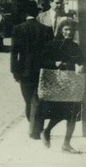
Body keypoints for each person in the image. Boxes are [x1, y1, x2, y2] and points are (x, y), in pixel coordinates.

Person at [36, 18, 85, 152]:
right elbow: (41, 61)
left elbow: (82, 60)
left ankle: (66, 144)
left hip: (72, 84)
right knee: (59, 113)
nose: (69, 32)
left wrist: (81, 65)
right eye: (66, 29)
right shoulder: (52, 45)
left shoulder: (75, 46)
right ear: (61, 31)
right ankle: (47, 131)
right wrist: (55, 63)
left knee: (72, 115)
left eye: (72, 30)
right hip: (57, 84)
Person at [11, 1, 53, 139]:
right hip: (43, 70)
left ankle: (33, 127)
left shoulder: (18, 29)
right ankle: (37, 129)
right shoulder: (46, 29)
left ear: (25, 14)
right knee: (40, 99)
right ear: (37, 13)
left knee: (29, 100)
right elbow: (50, 52)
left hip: (25, 71)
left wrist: (15, 71)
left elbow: (14, 52)